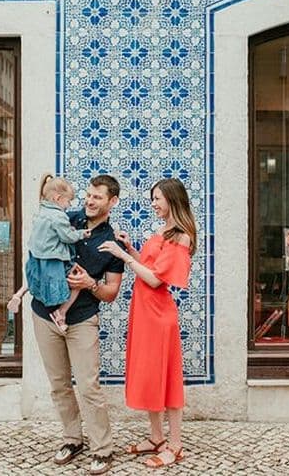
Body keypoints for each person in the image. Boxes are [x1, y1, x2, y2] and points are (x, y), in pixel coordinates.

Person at [24, 174, 125, 475]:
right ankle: (72, 439)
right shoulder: (64, 217)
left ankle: (102, 449)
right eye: (88, 195)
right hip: (44, 313)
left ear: (112, 202)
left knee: (89, 386)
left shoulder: (112, 243)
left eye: (97, 197)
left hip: (81, 319)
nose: (89, 201)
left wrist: (90, 283)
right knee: (58, 385)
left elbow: (111, 293)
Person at [98, 178, 196, 469]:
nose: (153, 203)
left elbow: (155, 279)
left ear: (172, 199)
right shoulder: (163, 231)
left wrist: (123, 255)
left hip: (158, 315)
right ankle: (156, 438)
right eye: (152, 198)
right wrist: (132, 249)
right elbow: (150, 268)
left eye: (157, 198)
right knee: (151, 377)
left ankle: (175, 445)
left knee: (167, 381)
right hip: (143, 312)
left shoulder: (181, 236)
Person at [8, 174, 91, 331]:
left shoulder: (41, 211)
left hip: (37, 256)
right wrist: (81, 234)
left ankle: (18, 294)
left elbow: (49, 233)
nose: (69, 205)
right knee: (77, 279)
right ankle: (60, 313)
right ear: (58, 198)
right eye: (68, 201)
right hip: (53, 259)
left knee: (35, 278)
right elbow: (67, 237)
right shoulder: (59, 216)